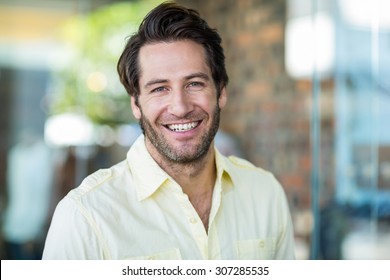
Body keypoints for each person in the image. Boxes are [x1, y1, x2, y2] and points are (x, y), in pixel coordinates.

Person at [42, 2, 295, 260]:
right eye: (159, 88)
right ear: (136, 104)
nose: (180, 107)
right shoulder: (86, 217)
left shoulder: (265, 194)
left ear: (221, 92)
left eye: (194, 83)